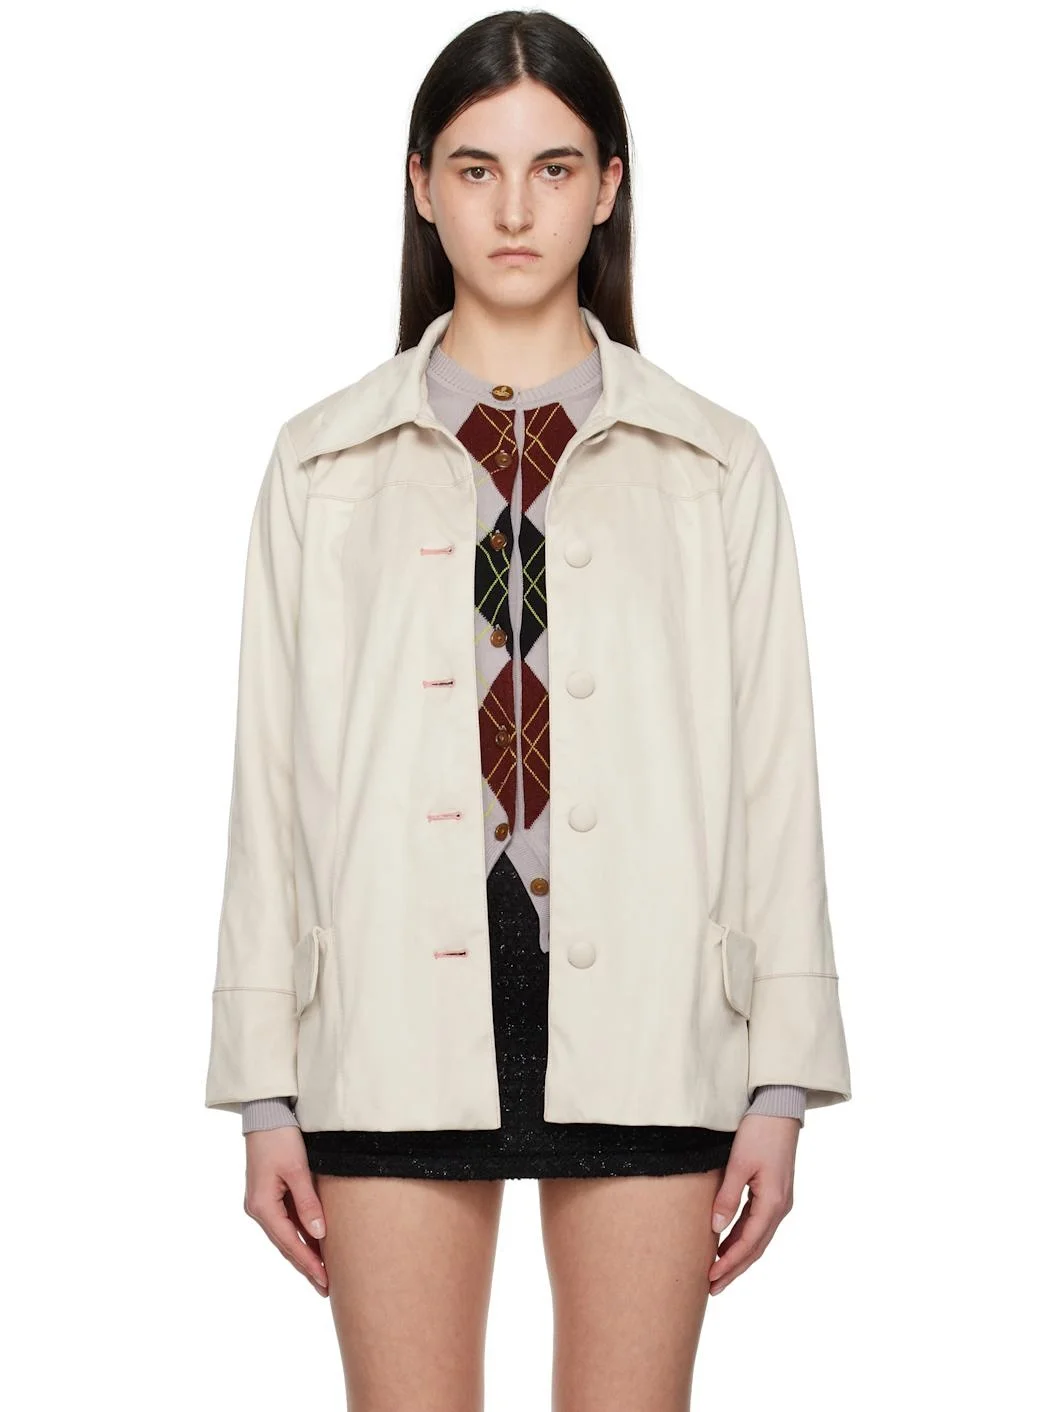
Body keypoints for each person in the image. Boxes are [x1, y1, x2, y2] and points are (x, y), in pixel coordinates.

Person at [204, 10, 852, 1408]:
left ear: (607, 186)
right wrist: (261, 1087)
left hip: (655, 1014)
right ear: (419, 184)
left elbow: (776, 777)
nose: (513, 209)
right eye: (475, 168)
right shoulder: (319, 465)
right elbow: (268, 784)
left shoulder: (714, 463)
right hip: (383, 1016)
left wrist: (781, 1083)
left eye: (553, 168)